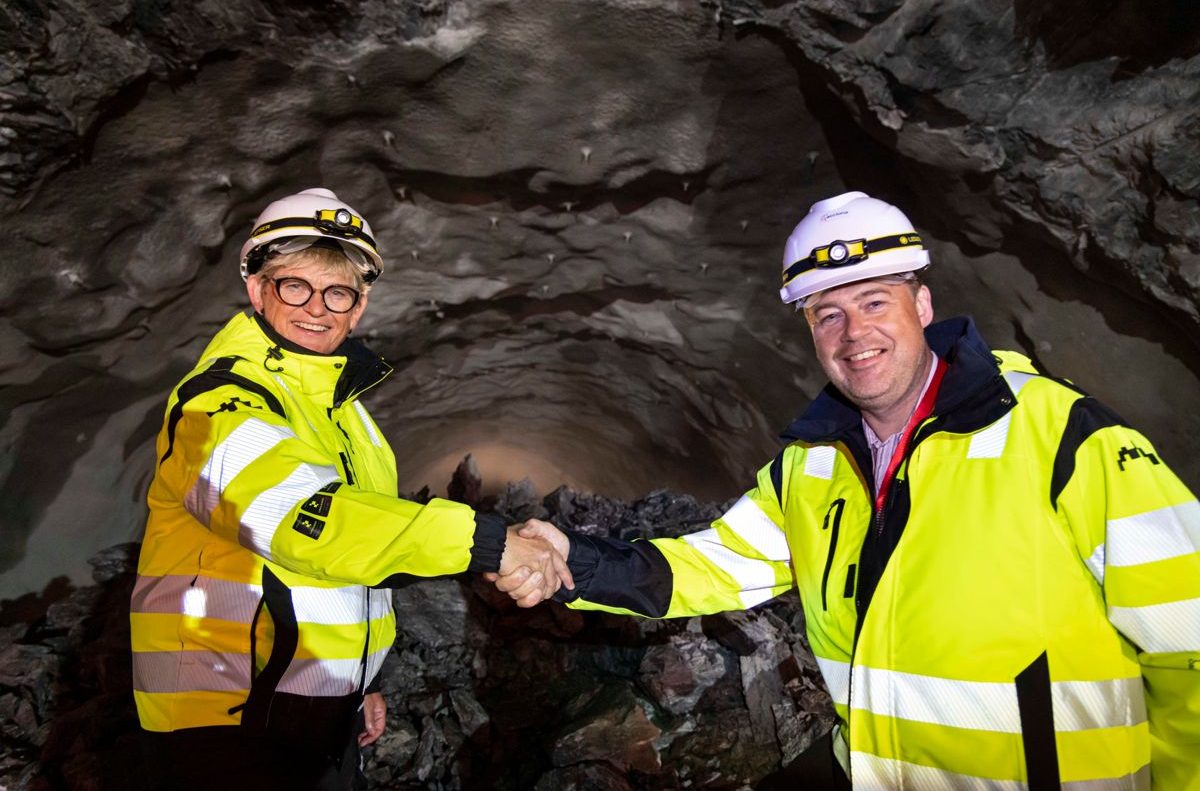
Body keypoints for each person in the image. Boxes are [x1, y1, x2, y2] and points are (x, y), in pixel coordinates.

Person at [493, 191, 1200, 789]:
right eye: (827, 314)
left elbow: (1189, 638)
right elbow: (714, 566)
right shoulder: (814, 465)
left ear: (921, 305)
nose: (853, 332)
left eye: (874, 301)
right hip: (874, 769)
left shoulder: (1061, 436)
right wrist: (572, 559)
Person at [130, 188, 570, 790]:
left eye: (338, 292)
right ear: (257, 290)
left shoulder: (348, 419)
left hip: (311, 715)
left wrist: (357, 687)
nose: (318, 307)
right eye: (295, 286)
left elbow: (358, 560)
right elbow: (308, 523)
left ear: (358, 308)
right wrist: (487, 542)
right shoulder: (218, 404)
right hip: (225, 725)